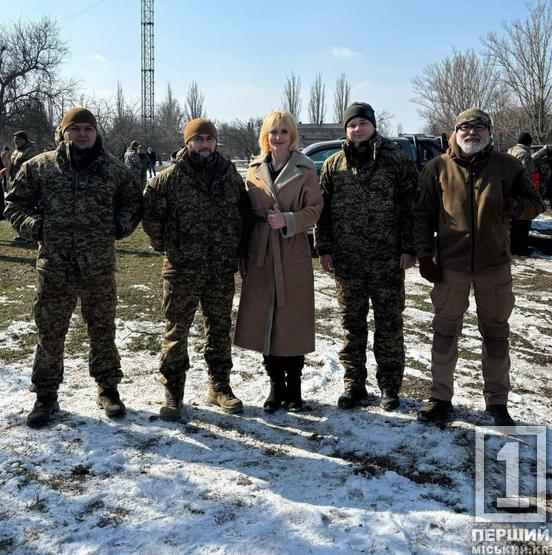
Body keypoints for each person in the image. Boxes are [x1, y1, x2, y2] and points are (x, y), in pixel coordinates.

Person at [4, 107, 143, 428]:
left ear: (96, 133)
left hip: (98, 268)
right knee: (50, 334)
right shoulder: (39, 167)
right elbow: (14, 204)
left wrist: (119, 226)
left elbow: (134, 202)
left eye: (88, 129)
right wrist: (34, 226)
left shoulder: (113, 170)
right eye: (75, 128)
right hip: (54, 268)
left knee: (102, 330)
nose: (82, 134)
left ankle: (108, 389)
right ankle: (46, 396)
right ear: (63, 132)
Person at [414, 108, 545, 426]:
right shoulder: (437, 168)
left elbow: (536, 204)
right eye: (465, 127)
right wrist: (425, 257)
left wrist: (511, 205)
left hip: (494, 267)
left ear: (489, 132)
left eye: (479, 127)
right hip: (451, 268)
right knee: (445, 332)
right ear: (455, 132)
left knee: (496, 334)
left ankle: (498, 402)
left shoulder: (508, 166)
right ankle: (440, 398)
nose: (472, 133)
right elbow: (421, 216)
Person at [143, 118, 251, 420]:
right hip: (182, 269)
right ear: (187, 142)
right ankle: (173, 391)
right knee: (177, 330)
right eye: (198, 139)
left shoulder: (229, 174)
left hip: (219, 268)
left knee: (218, 329)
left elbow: (241, 214)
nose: (204, 144)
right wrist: (168, 247)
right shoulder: (169, 178)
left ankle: (219, 386)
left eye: (209, 139)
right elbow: (151, 217)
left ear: (216, 142)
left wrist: (235, 250)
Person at [314, 102, 418, 411]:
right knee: (351, 325)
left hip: (387, 260)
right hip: (348, 262)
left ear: (372, 125)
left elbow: (412, 207)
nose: (357, 129)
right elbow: (323, 213)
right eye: (351, 124)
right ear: (344, 129)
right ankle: (354, 384)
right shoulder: (333, 165)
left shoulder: (396, 161)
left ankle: (389, 386)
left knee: (389, 324)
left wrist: (408, 247)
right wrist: (325, 248)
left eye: (362, 123)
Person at [234, 111, 323, 412]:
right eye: (273, 132)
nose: (278, 137)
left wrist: (287, 219)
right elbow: (246, 214)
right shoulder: (254, 168)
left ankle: (294, 388)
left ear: (292, 136)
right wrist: (243, 253)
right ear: (265, 135)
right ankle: (275, 386)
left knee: (291, 322)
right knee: (264, 322)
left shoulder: (305, 168)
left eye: (284, 132)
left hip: (291, 251)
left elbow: (314, 209)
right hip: (260, 251)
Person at [507, 133, 549, 255]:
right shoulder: (524, 154)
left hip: (510, 190)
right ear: (529, 143)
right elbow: (525, 175)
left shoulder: (511, 150)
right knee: (524, 220)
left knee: (513, 222)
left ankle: (513, 246)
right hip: (521, 191)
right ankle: (520, 248)